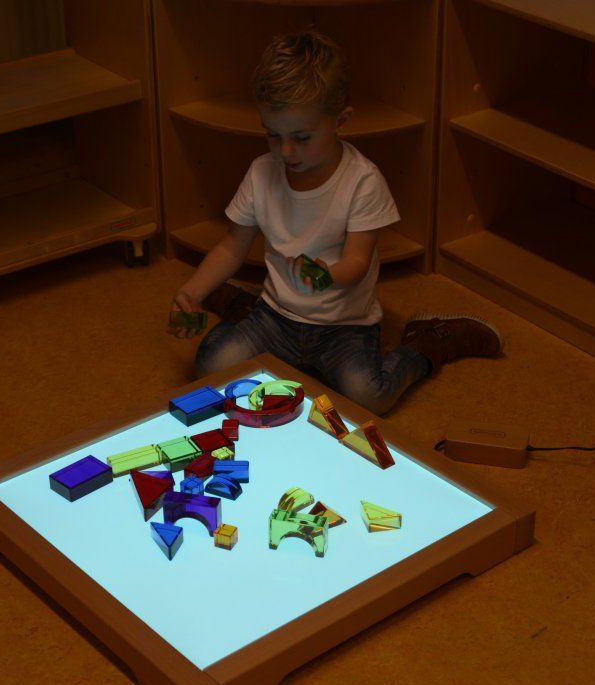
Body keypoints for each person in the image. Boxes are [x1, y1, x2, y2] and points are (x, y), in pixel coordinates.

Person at [168, 29, 501, 415]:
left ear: (341, 121)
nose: (286, 150)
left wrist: (327, 275)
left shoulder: (363, 181)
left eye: (302, 137)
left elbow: (358, 262)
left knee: (370, 397)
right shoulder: (261, 172)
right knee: (210, 366)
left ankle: (428, 341)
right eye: (273, 135)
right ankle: (243, 305)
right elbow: (231, 245)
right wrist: (191, 293)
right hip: (276, 315)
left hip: (345, 326)